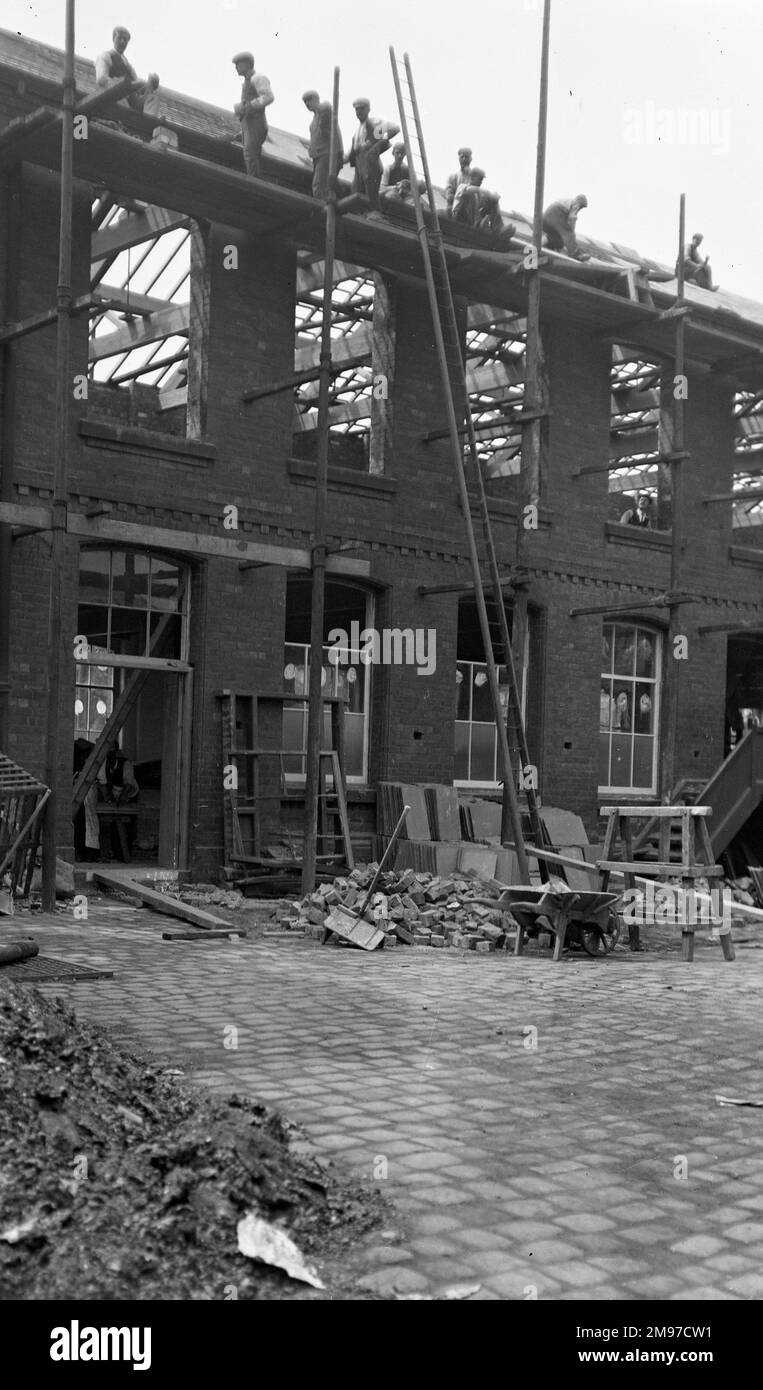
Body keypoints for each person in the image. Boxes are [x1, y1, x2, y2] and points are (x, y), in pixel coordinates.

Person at [95, 26, 162, 125]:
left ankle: (149, 123)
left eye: (125, 40)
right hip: (114, 97)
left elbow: (139, 88)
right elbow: (101, 79)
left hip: (130, 100)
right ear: (113, 39)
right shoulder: (105, 56)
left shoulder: (128, 65)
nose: (122, 42)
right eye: (119, 38)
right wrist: (121, 86)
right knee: (122, 101)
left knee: (153, 97)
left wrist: (150, 84)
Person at [345, 99, 400, 211]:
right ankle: (359, 213)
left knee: (371, 193)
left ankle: (375, 213)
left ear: (368, 109)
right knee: (355, 192)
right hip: (359, 165)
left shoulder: (374, 123)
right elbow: (351, 153)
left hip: (371, 165)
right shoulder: (357, 133)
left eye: (362, 108)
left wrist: (378, 145)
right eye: (357, 109)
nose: (359, 112)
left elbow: (394, 128)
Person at [232, 52, 274, 177]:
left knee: (250, 153)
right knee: (248, 153)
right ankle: (253, 178)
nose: (236, 68)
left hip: (256, 122)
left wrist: (250, 105)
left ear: (247, 64)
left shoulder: (257, 78)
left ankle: (254, 182)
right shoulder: (246, 82)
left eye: (238, 65)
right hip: (249, 124)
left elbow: (268, 96)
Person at [99, 742, 139, 859]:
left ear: (115, 754)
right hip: (114, 793)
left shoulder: (126, 764)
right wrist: (108, 799)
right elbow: (103, 784)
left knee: (128, 826)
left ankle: (126, 853)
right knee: (111, 825)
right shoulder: (104, 765)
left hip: (130, 794)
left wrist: (123, 799)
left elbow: (128, 784)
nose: (109, 759)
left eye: (111, 755)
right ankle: (115, 852)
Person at [302, 90, 343, 200]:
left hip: (327, 154)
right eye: (305, 101)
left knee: (319, 185)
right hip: (319, 155)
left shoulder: (324, 108)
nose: (307, 104)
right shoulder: (314, 119)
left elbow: (326, 130)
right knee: (322, 184)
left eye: (309, 100)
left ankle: (322, 204)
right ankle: (327, 200)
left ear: (316, 99)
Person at [73, 738, 100, 862]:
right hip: (84, 795)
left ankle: (86, 853)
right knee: (84, 824)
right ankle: (85, 853)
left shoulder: (88, 764)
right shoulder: (81, 766)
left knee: (86, 824)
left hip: (85, 794)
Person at [542, 194, 589, 259]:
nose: (580, 209)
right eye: (581, 207)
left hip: (545, 219)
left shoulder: (568, 202)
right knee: (568, 234)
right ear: (580, 203)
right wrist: (571, 232)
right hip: (554, 214)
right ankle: (574, 253)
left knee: (558, 240)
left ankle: (546, 246)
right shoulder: (576, 203)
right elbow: (572, 218)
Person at [445, 147, 472, 212]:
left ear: (470, 159)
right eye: (462, 157)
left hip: (470, 212)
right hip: (455, 210)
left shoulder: (475, 178)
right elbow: (449, 198)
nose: (464, 159)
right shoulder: (452, 177)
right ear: (459, 159)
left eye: (466, 157)